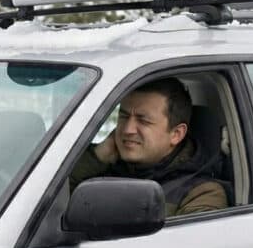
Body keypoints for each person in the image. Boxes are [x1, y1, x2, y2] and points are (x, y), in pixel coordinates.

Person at [69, 78, 229, 217]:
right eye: (124, 116)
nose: (127, 130)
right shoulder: (101, 169)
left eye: (143, 121)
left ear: (176, 134)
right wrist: (96, 157)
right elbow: (49, 200)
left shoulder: (202, 193)